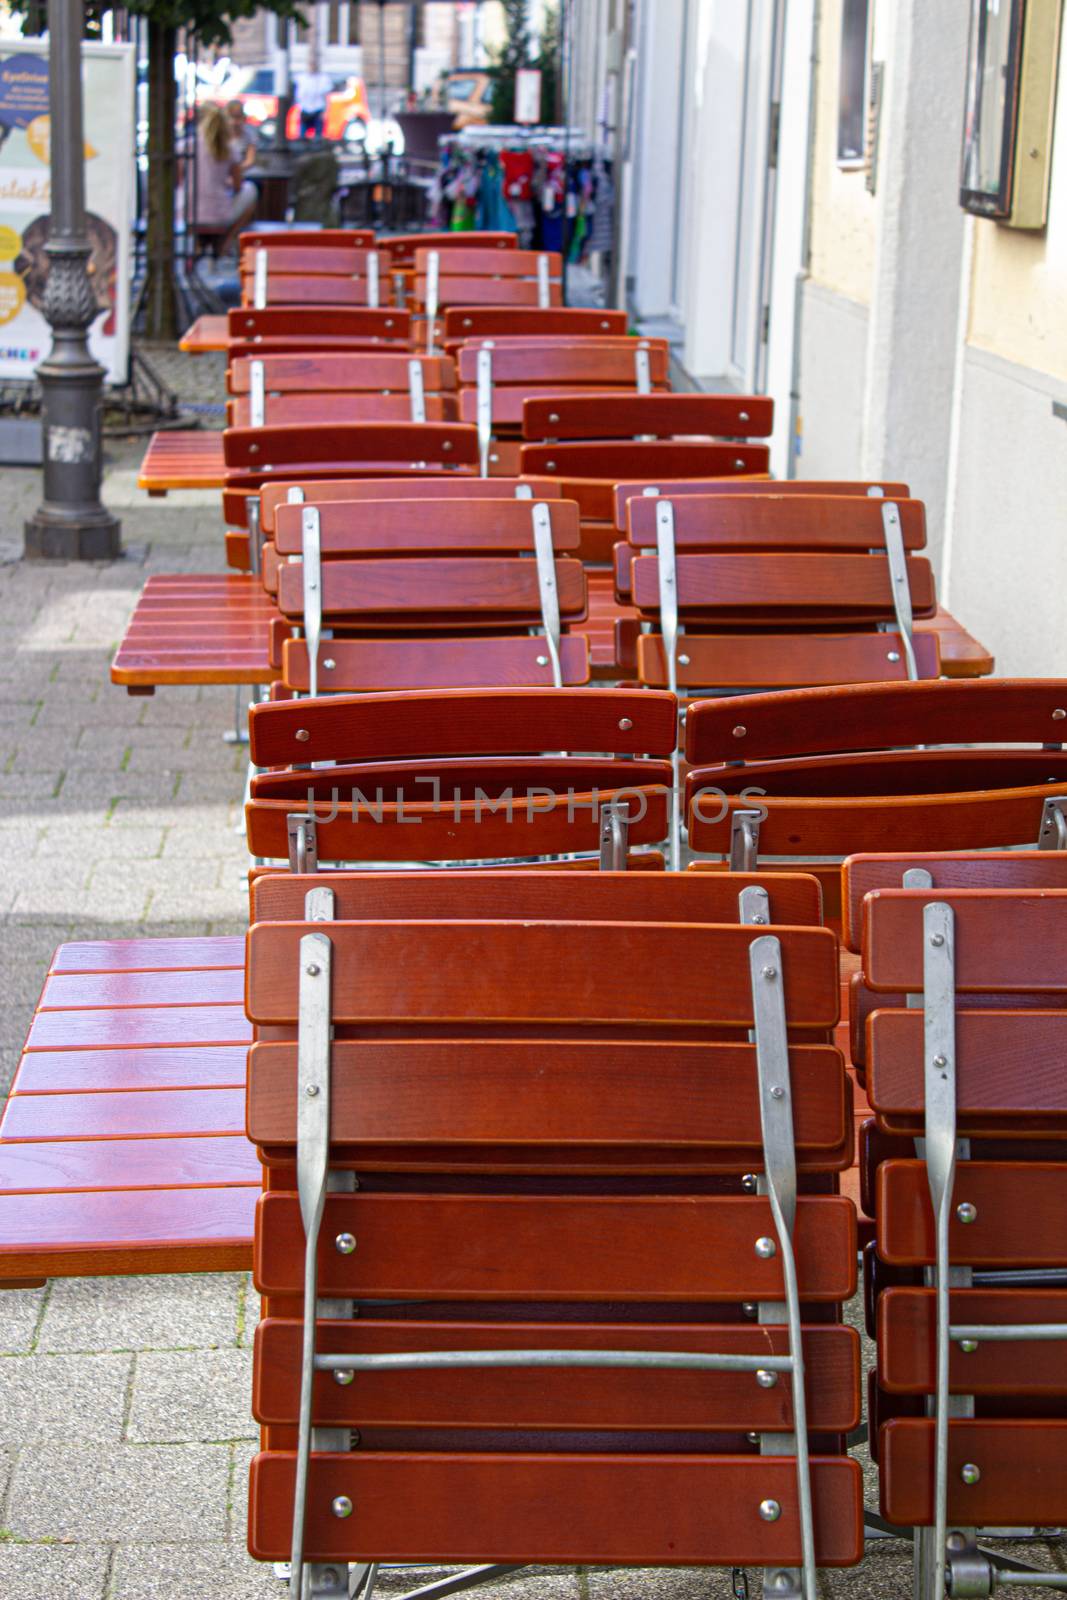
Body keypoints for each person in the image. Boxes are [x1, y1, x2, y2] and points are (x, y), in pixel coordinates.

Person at [195, 102, 257, 254]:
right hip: (218, 212)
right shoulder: (230, 149)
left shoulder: (187, 146)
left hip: (188, 211)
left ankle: (201, 245)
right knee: (251, 191)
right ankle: (226, 243)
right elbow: (238, 185)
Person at [295, 55, 332, 140]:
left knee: (318, 136)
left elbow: (326, 96)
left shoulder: (323, 79)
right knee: (302, 136)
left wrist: (325, 111)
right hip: (304, 109)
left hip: (318, 109)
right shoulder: (302, 78)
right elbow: (299, 95)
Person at [226, 100, 257, 170]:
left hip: (244, 172)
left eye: (237, 117)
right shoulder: (221, 135)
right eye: (230, 117)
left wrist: (236, 170)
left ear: (243, 118)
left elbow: (250, 160)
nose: (233, 122)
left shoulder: (249, 135)